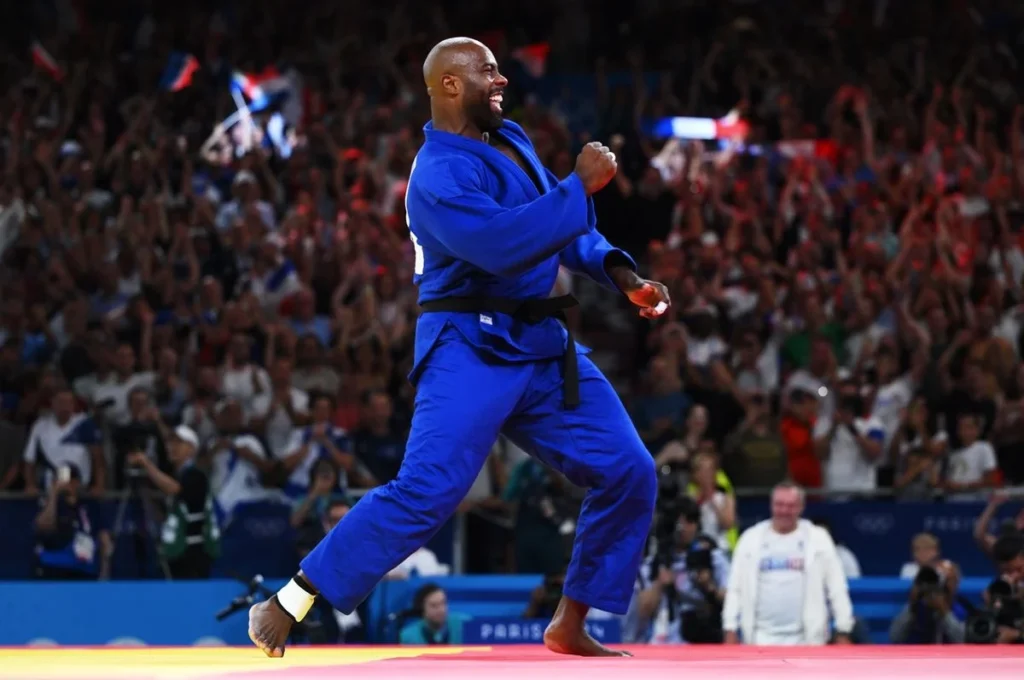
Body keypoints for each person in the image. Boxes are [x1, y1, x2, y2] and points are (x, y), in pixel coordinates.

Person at [248, 36, 668, 658]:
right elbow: (505, 244)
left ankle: (571, 621)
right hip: (467, 347)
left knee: (629, 471)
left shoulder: (510, 139)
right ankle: (291, 600)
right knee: (426, 492)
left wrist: (620, 273)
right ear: (449, 84)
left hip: (539, 345)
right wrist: (579, 184)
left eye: (500, 71)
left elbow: (557, 222)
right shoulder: (438, 173)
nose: (501, 82)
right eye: (488, 72)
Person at [722, 482, 854, 645]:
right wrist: (730, 627)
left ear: (801, 507)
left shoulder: (818, 539)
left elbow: (836, 587)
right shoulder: (750, 539)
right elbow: (735, 587)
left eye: (790, 506)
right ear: (771, 505)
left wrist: (843, 628)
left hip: (807, 640)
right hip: (759, 639)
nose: (784, 511)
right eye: (779, 505)